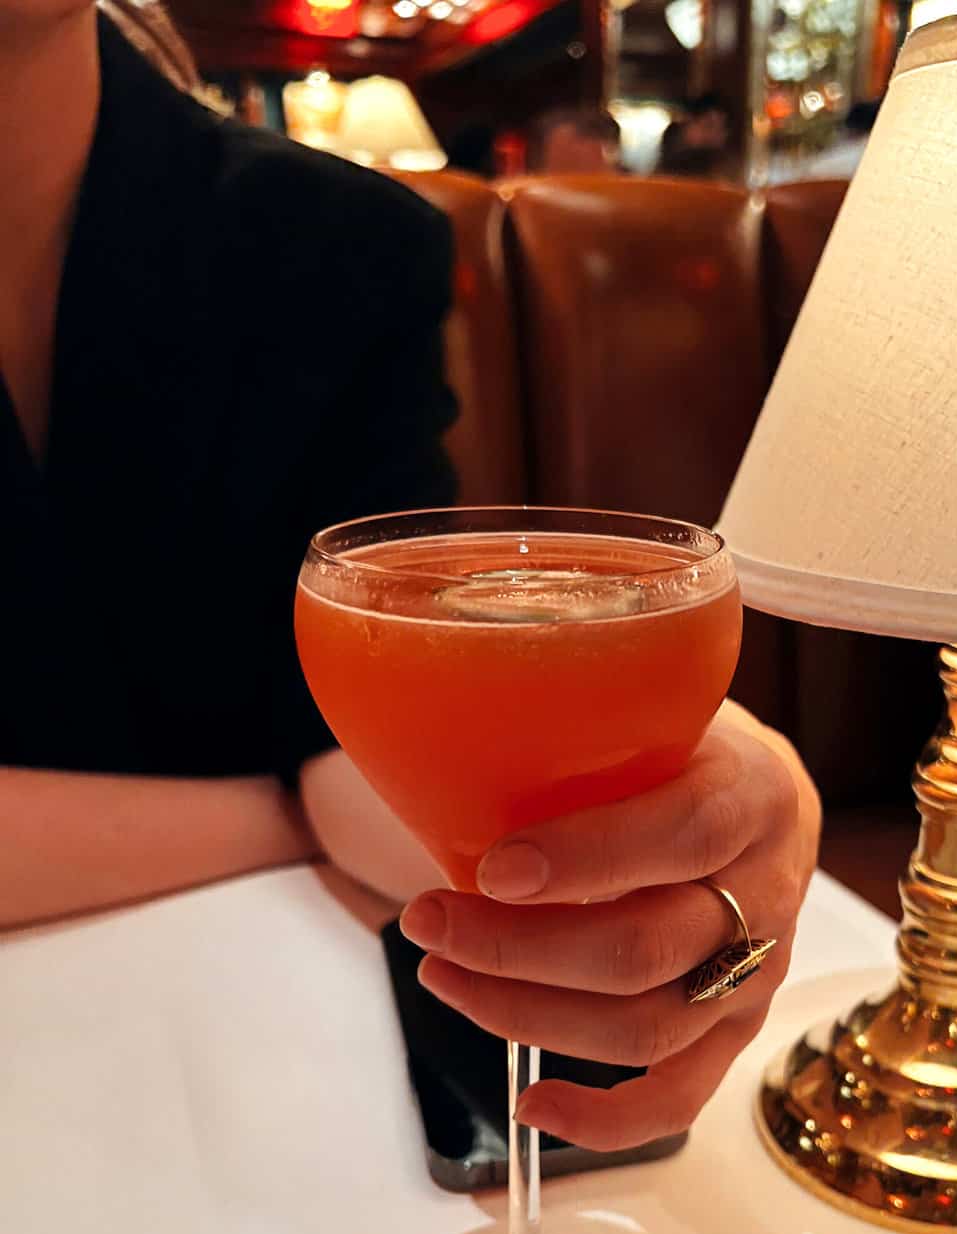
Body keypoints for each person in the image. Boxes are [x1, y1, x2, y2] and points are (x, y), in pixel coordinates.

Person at [1, 0, 820, 1151]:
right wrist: (286, 811)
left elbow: (371, 734)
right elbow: (336, 785)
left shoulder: (335, 246)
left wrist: (717, 794)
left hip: (263, 1055)